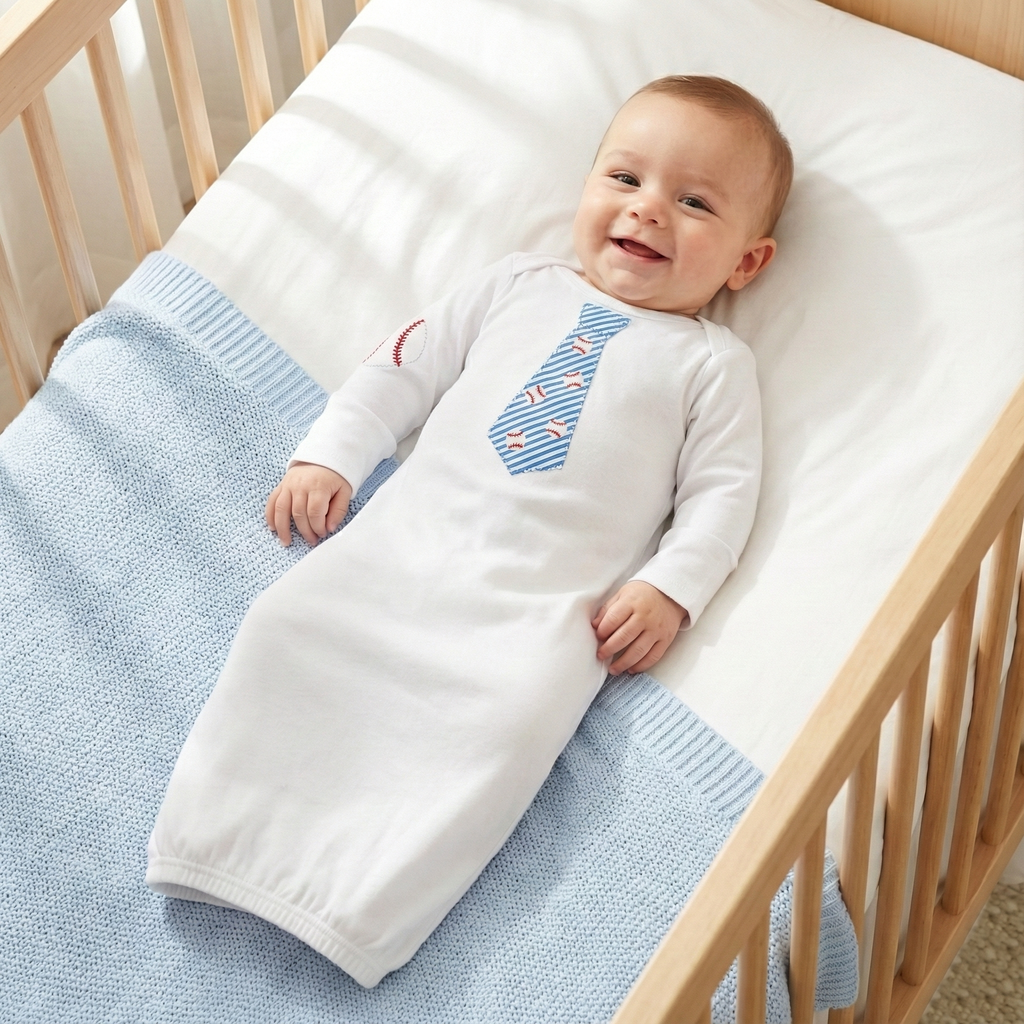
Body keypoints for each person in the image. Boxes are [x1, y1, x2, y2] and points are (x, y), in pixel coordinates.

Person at [146, 76, 793, 987]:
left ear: (746, 263)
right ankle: (214, 834)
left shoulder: (711, 367)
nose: (649, 211)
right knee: (286, 628)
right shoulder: (516, 284)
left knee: (502, 727)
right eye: (625, 178)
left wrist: (670, 589)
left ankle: (363, 899)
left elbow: (724, 498)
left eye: (693, 202)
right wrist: (333, 453)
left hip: (531, 609)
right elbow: (400, 367)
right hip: (401, 548)